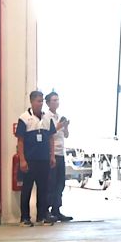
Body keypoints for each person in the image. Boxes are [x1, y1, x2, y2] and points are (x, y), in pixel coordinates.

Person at [16, 90, 57, 226]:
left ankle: (41, 216)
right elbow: (20, 141)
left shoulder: (47, 118)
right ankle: (25, 218)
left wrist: (52, 156)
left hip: (44, 160)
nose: (40, 104)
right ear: (32, 102)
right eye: (38, 101)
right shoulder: (24, 118)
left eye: (41, 101)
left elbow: (51, 138)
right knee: (27, 188)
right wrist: (22, 159)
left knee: (43, 188)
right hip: (30, 160)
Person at [45, 91, 73, 222]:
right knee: (50, 183)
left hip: (61, 153)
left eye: (58, 100)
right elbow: (48, 133)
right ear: (48, 103)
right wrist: (59, 126)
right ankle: (47, 210)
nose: (56, 102)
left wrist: (65, 127)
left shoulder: (60, 116)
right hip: (52, 153)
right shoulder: (46, 117)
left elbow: (66, 135)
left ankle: (57, 209)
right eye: (54, 100)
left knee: (60, 183)